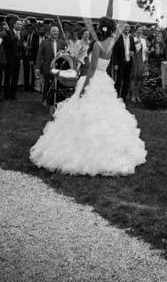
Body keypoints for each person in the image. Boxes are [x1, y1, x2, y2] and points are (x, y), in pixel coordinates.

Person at [30, 17, 146, 176]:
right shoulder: (110, 44)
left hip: (94, 80)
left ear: (101, 29)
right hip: (105, 80)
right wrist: (111, 0)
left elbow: (91, 69)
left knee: (85, 114)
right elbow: (111, 23)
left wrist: (84, 87)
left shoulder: (98, 45)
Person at [36, 25, 67, 106]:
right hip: (47, 67)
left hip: (59, 68)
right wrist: (37, 68)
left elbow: (66, 55)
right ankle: (45, 100)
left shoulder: (62, 42)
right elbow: (39, 55)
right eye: (53, 31)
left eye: (57, 31)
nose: (55, 32)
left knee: (58, 85)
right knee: (47, 84)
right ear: (50, 32)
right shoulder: (44, 42)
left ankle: (56, 100)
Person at [110, 24, 135, 100]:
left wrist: (132, 52)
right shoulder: (118, 38)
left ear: (129, 29)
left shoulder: (131, 38)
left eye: (128, 27)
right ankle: (115, 97)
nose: (126, 29)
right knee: (118, 81)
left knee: (126, 82)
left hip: (128, 63)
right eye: (125, 27)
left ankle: (123, 99)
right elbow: (114, 52)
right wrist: (115, 64)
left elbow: (133, 48)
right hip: (120, 63)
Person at [2, 18, 23, 100]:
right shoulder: (9, 32)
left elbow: (19, 46)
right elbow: (9, 42)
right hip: (9, 59)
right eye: (18, 24)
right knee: (8, 77)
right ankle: (6, 95)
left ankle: (13, 95)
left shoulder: (22, 34)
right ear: (14, 25)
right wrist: (14, 37)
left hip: (17, 59)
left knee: (15, 78)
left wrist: (23, 47)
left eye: (21, 24)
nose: (19, 25)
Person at [130, 26, 148, 103]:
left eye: (141, 30)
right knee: (134, 78)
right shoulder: (132, 39)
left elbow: (145, 51)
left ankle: (138, 95)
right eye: (138, 30)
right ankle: (133, 95)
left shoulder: (144, 40)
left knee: (140, 78)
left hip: (142, 60)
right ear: (135, 31)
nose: (140, 31)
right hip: (134, 60)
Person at [21, 18, 39, 92]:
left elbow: (36, 48)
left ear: (33, 29)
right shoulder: (25, 36)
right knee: (26, 72)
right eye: (28, 29)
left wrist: (30, 47)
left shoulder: (36, 37)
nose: (29, 30)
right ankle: (26, 87)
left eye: (30, 29)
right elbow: (23, 46)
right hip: (25, 56)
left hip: (32, 57)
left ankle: (32, 87)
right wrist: (24, 47)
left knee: (32, 73)